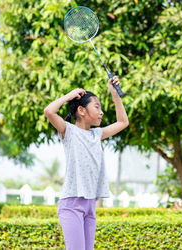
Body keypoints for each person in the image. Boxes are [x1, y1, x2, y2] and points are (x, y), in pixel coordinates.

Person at [44, 76, 129, 250]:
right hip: (71, 204)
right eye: (97, 107)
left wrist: (115, 93)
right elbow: (49, 111)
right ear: (82, 110)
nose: (101, 112)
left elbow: (123, 122)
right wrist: (68, 96)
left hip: (90, 204)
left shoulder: (97, 134)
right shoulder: (69, 131)